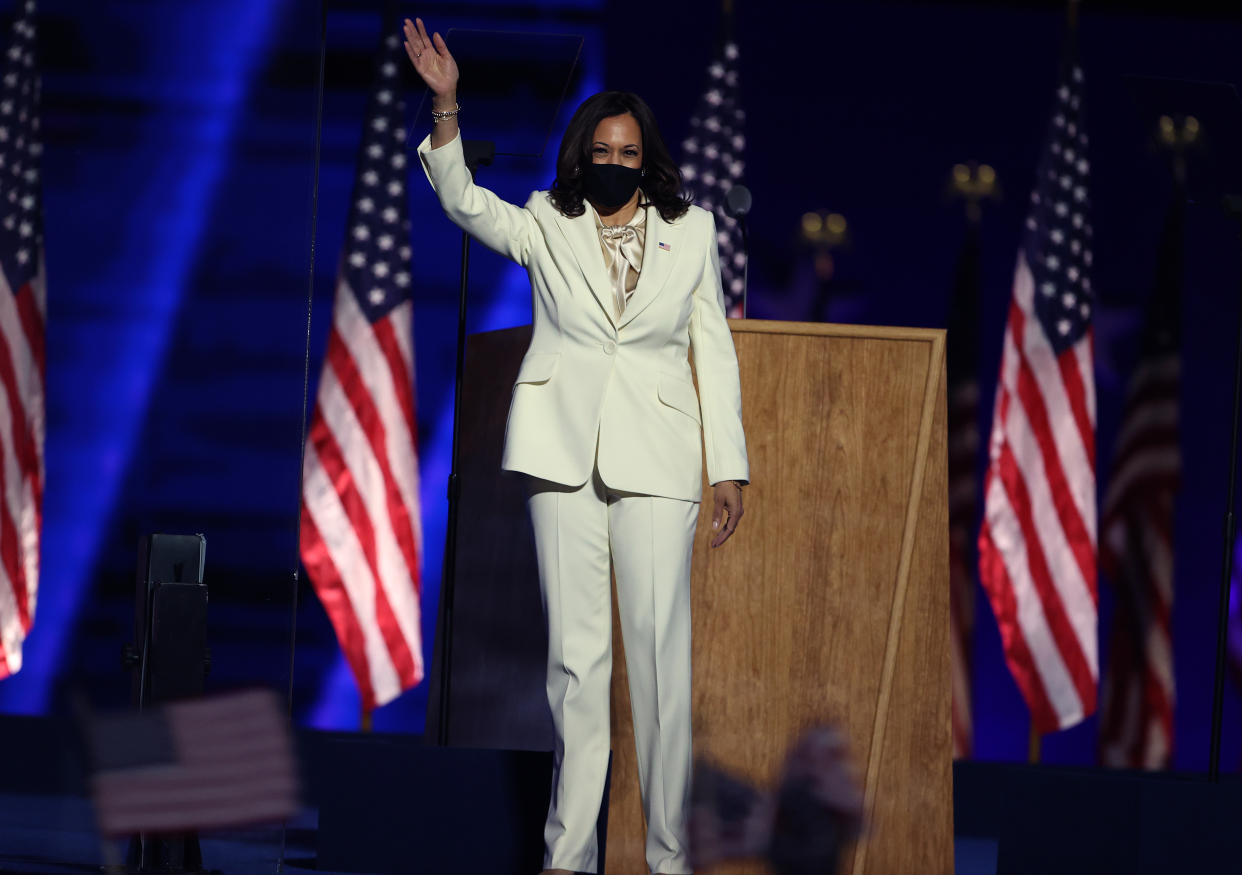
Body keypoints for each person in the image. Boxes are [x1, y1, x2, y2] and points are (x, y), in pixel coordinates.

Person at [403, 17, 749, 875]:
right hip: (563, 458)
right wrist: (446, 108)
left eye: (629, 152)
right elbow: (462, 203)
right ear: (580, 152)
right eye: (603, 148)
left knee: (662, 667)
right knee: (575, 664)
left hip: (663, 461)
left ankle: (668, 859)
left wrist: (728, 465)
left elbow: (715, 348)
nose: (616, 163)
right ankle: (569, 857)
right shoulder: (546, 222)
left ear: (648, 159)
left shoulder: (693, 231)